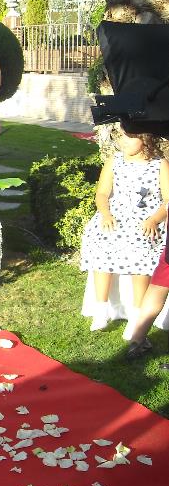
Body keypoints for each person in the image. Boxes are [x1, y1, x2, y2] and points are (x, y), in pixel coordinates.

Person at [79, 128, 169, 333]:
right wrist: (105, 214)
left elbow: (167, 199)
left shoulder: (159, 164)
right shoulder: (114, 161)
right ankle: (101, 309)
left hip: (146, 218)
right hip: (116, 215)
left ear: (145, 138)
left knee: (141, 245)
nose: (123, 141)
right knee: (101, 239)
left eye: (130, 136)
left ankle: (137, 314)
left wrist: (154, 219)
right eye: (121, 136)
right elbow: (102, 193)